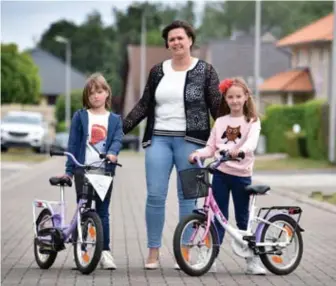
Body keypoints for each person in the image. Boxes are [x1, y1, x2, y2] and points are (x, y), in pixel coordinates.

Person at [122, 20, 222, 269]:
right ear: (167, 44)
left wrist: (235, 128)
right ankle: (153, 252)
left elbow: (217, 106)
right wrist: (119, 129)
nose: (176, 42)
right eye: (172, 39)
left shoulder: (206, 71)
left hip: (192, 141)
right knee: (155, 195)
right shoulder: (158, 71)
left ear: (190, 40)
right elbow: (144, 104)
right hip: (159, 139)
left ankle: (185, 252)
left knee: (188, 197)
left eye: (181, 37)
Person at [188, 77, 266, 275]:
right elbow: (211, 146)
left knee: (243, 218)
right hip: (221, 174)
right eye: (230, 97)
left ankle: (252, 260)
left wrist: (239, 151)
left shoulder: (252, 121)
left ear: (246, 97)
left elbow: (251, 144)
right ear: (226, 99)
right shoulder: (221, 121)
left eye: (239, 96)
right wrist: (199, 153)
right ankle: (210, 258)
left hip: (241, 175)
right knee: (217, 219)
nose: (235, 101)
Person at [63, 73, 123, 270]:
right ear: (86, 97)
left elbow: (116, 140)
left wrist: (113, 153)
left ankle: (105, 252)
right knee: (83, 210)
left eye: (100, 91)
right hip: (82, 170)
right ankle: (82, 253)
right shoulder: (80, 116)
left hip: (104, 171)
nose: (96, 96)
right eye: (91, 93)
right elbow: (73, 144)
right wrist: (69, 171)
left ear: (107, 93)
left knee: (103, 212)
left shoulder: (114, 119)